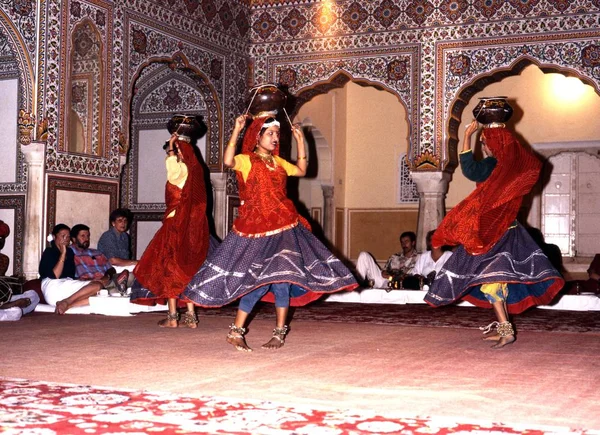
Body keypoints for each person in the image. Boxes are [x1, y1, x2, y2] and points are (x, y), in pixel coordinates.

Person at [183, 113, 358, 352]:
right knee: (257, 281)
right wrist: (236, 129)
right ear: (257, 137)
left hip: (284, 227)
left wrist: (299, 140)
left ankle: (278, 333)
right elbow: (227, 161)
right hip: (256, 229)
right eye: (270, 134)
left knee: (283, 280)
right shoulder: (247, 160)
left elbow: (301, 169)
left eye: (277, 134)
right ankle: (236, 331)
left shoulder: (279, 163)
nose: (275, 138)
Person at [424, 120, 564, 349]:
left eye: (485, 143)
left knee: (492, 281)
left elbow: (469, 169)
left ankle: (506, 331)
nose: (485, 147)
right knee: (495, 280)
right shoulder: (510, 166)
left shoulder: (492, 165)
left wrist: (467, 135)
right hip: (509, 231)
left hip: (491, 233)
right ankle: (504, 328)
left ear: (493, 145)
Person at [130, 115, 211, 329]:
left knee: (170, 269)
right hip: (193, 226)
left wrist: (173, 145)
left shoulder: (178, 170)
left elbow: (171, 165)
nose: (168, 154)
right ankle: (191, 317)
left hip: (175, 225)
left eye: (170, 152)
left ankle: (173, 317)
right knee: (188, 268)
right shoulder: (196, 171)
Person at [39, 224, 110, 314]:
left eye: (68, 236)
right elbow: (55, 276)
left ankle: (67, 304)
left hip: (68, 286)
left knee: (101, 290)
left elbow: (71, 276)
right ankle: (67, 302)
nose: (66, 239)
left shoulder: (70, 252)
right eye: (63, 236)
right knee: (98, 287)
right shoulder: (49, 252)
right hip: (53, 287)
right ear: (54, 237)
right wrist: (63, 253)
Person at [70, 224, 130, 294]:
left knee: (131, 276)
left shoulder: (96, 253)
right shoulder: (69, 253)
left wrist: (107, 276)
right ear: (74, 239)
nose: (86, 239)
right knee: (110, 289)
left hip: (106, 280)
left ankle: (117, 288)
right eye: (83, 236)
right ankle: (116, 289)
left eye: (88, 236)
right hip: (90, 284)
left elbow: (111, 269)